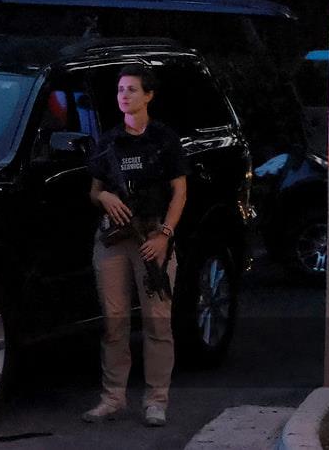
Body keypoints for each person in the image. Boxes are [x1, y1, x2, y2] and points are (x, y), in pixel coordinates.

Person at [82, 63, 188, 427]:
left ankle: (156, 401)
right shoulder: (109, 140)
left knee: (157, 323)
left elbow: (179, 191)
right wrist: (105, 197)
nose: (124, 95)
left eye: (131, 89)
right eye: (120, 90)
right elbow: (94, 190)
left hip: (151, 236)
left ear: (148, 95)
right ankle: (113, 398)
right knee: (114, 323)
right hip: (114, 238)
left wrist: (165, 235)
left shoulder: (164, 139)